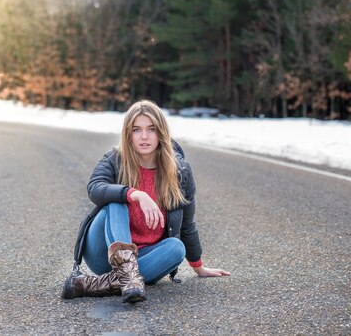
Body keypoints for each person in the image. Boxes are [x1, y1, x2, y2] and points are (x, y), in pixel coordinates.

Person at [61, 100, 230, 303]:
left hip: (145, 256)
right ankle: (128, 276)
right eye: (136, 130)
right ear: (128, 134)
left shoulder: (180, 171)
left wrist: (198, 266)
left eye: (151, 129)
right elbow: (95, 188)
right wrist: (135, 194)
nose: (144, 137)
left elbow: (187, 224)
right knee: (116, 202)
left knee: (176, 248)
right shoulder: (116, 158)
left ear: (161, 132)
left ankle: (99, 283)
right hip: (102, 253)